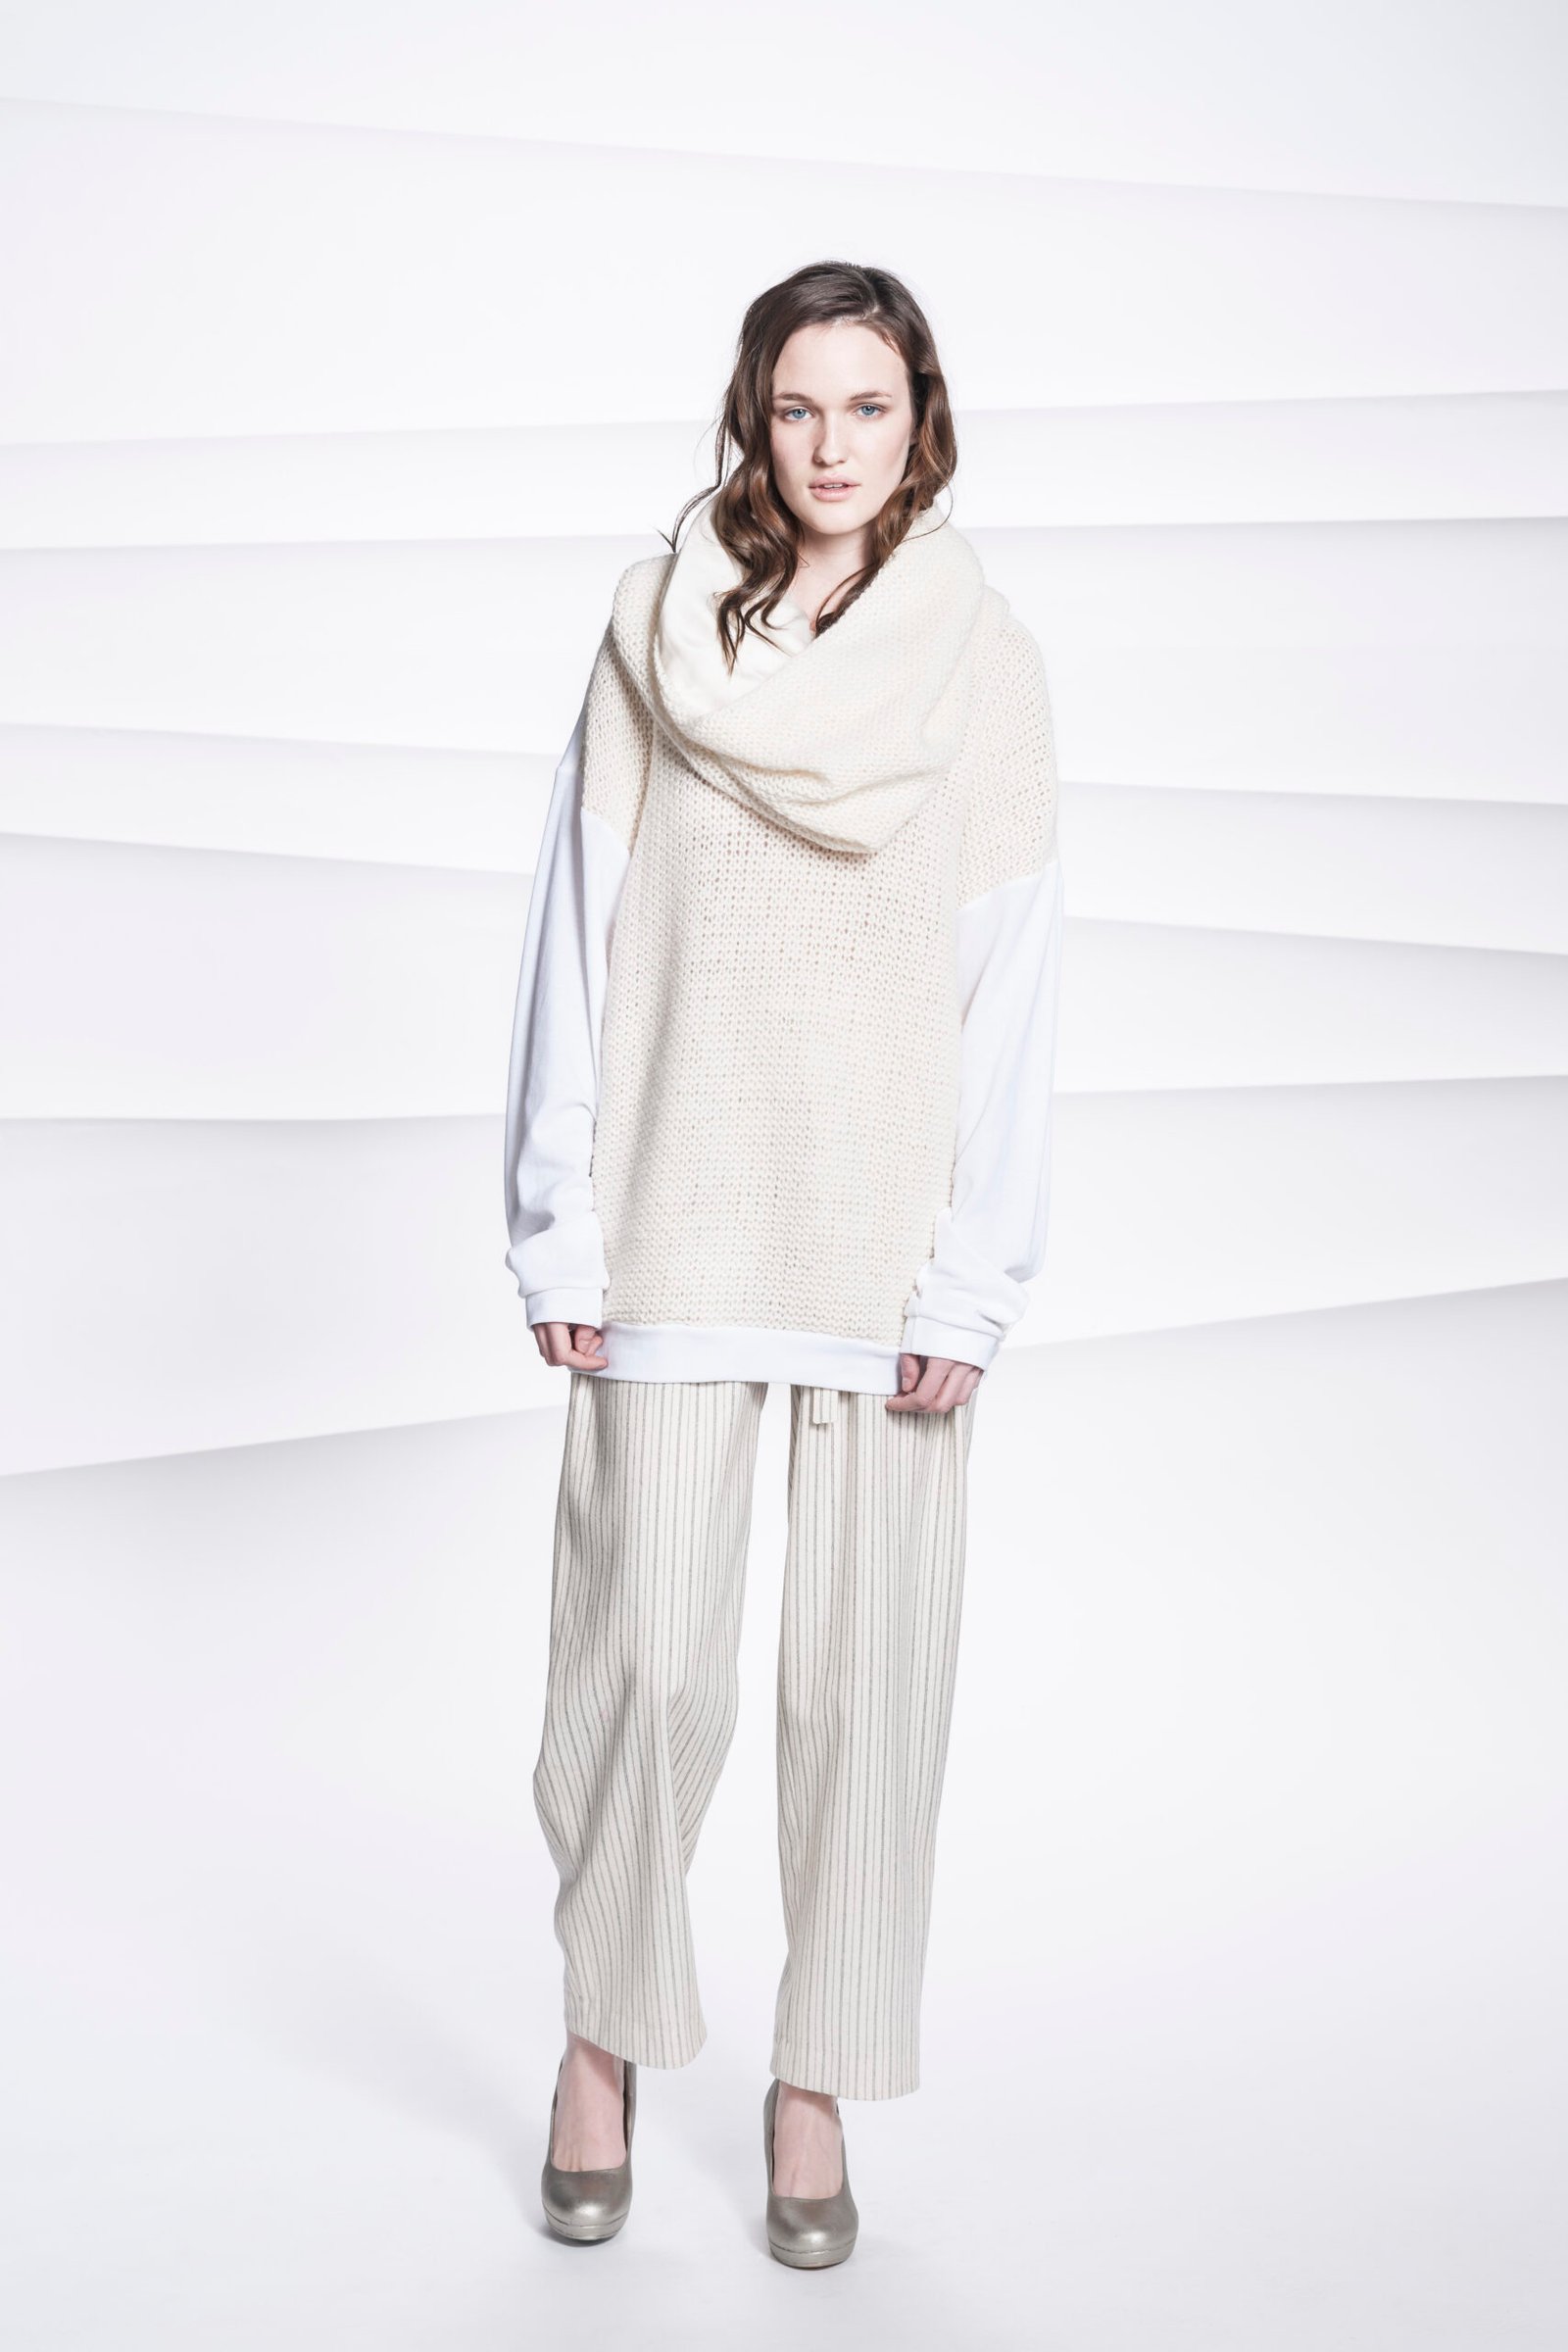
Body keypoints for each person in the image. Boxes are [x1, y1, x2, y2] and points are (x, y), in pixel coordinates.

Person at [502, 259, 1064, 2266]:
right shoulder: (651, 635)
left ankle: (813, 2079)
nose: (834, 446)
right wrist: (556, 1217)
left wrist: (975, 1273)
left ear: (921, 424)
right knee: (639, 1662)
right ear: (755, 416)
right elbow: (577, 923)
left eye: (870, 408)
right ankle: (599, 2038)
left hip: (885, 1238)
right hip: (676, 1204)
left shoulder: (984, 666)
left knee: (865, 1695)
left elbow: (1010, 982)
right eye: (800, 406)